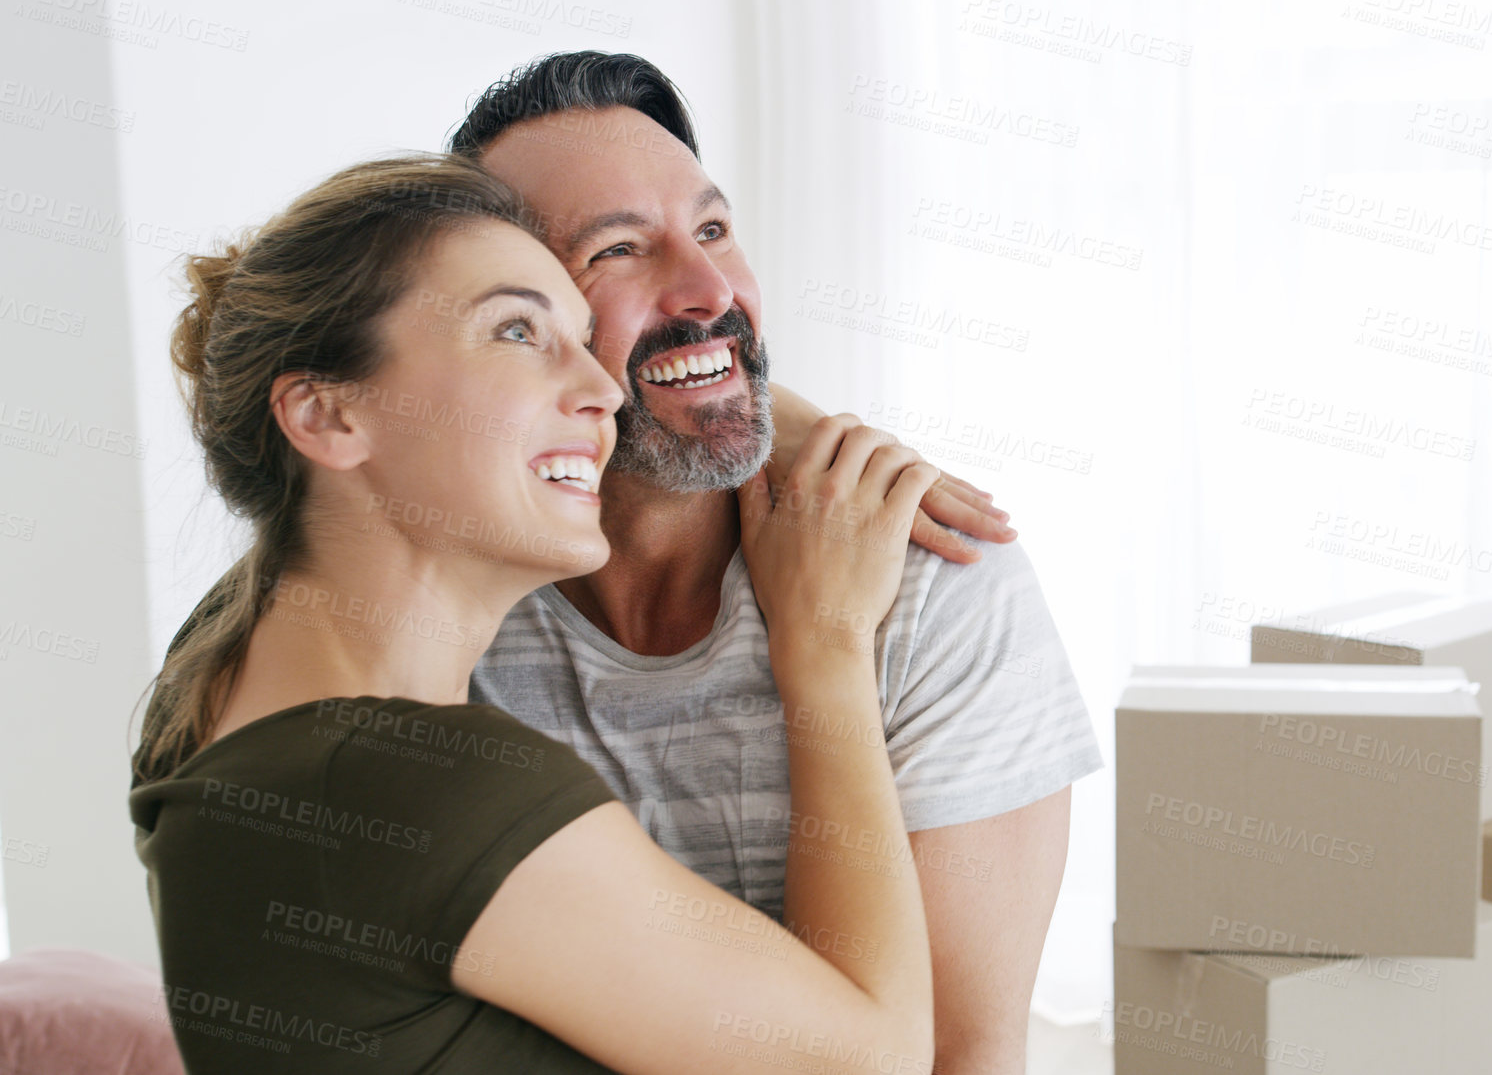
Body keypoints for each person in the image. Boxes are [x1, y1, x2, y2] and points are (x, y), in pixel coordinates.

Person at [129, 154, 949, 1073]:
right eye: (517, 330)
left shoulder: (208, 712)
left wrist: (748, 406)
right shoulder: (420, 789)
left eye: (584, 334)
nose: (603, 388)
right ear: (324, 415)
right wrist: (827, 642)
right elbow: (876, 1062)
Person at [449, 52, 1103, 1073]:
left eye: (712, 229)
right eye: (619, 249)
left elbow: (961, 1056)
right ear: (511, 323)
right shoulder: (449, 607)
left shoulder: (930, 579)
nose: (712, 289)